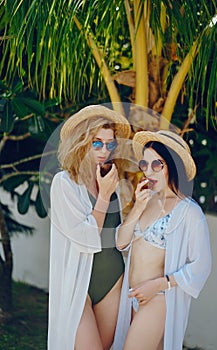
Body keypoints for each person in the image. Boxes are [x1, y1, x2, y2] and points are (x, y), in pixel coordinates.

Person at [113, 130, 212, 350]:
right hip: (131, 299)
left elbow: (202, 265)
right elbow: (121, 242)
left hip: (158, 298)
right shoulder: (146, 202)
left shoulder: (189, 212)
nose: (149, 172)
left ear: (173, 166)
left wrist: (159, 284)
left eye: (157, 165)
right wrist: (137, 206)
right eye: (144, 165)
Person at [47, 104, 131, 350]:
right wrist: (103, 197)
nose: (104, 150)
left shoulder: (110, 182)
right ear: (82, 141)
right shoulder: (64, 184)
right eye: (97, 143)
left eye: (110, 144)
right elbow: (84, 239)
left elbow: (117, 237)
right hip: (77, 287)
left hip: (112, 282)